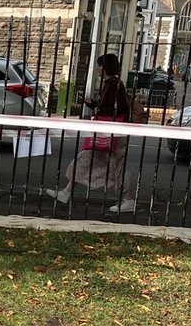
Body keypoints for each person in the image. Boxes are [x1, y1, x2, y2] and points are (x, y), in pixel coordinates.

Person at [45, 52, 136, 214]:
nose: (98, 69)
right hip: (109, 131)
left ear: (105, 67)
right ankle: (66, 193)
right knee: (88, 160)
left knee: (112, 165)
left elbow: (115, 108)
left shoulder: (113, 84)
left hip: (111, 133)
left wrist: (97, 107)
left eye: (100, 65)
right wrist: (94, 104)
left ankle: (129, 200)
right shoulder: (112, 84)